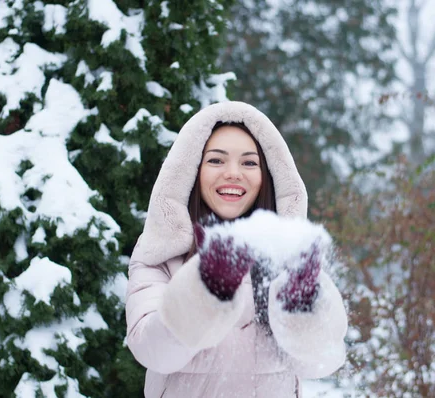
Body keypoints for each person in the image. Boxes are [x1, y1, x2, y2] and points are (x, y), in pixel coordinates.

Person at [126, 101, 348, 397]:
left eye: (249, 162)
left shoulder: (287, 255)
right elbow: (152, 352)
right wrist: (205, 289)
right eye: (216, 161)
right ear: (192, 171)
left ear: (266, 176)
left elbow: (321, 363)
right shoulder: (162, 255)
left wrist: (301, 303)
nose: (233, 173)